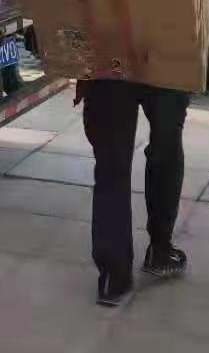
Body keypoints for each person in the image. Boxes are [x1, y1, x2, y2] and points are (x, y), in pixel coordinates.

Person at [77, 78, 189, 306]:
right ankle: (160, 249)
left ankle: (113, 275)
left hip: (111, 65)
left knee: (112, 162)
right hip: (163, 62)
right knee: (166, 147)